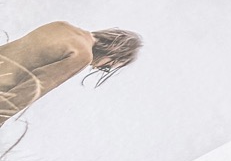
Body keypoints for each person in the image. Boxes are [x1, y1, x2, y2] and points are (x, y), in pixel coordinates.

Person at [0, 24, 142, 122]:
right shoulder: (83, 55)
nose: (97, 68)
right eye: (107, 67)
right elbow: (30, 90)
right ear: (114, 52)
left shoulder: (62, 26)